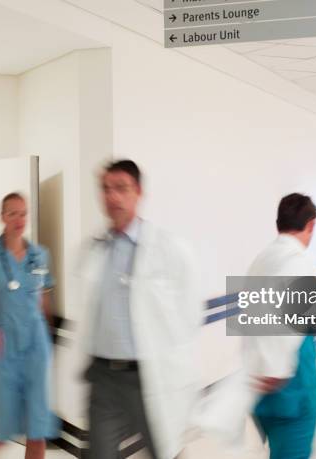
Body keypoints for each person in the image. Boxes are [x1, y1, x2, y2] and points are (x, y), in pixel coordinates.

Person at [71, 159, 202, 459]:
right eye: (106, 189)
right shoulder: (92, 248)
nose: (112, 197)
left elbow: (188, 312)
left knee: (164, 450)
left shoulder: (169, 248)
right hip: (102, 376)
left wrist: (173, 358)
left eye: (121, 188)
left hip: (147, 375)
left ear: (138, 192)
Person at [195, 193, 316, 459]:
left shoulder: (261, 260)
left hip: (261, 389)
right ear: (311, 225)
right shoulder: (299, 262)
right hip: (290, 386)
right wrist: (277, 367)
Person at [0, 192, 58, 459]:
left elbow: (44, 300)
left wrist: (49, 337)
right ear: (2, 217)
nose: (19, 219)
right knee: (5, 428)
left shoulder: (39, 255)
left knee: (37, 425)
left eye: (23, 213)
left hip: (36, 346)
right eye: (12, 213)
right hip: (5, 347)